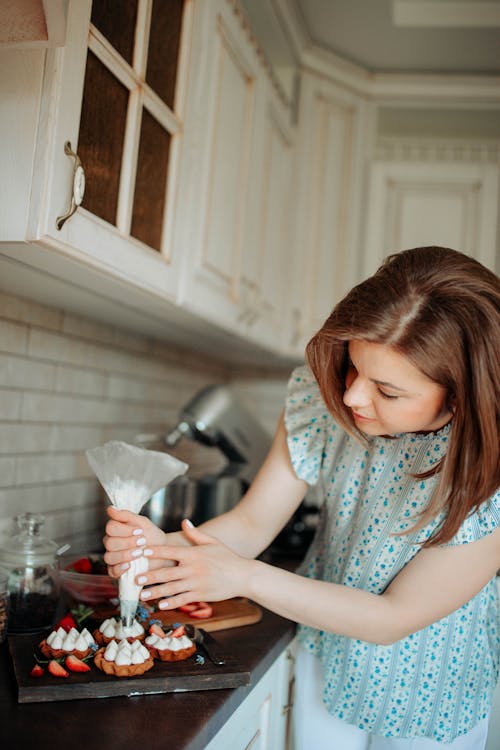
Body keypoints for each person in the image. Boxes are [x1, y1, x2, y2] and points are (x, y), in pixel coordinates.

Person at [103, 246, 500, 749]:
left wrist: (242, 575)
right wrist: (156, 550)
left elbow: (391, 618)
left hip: (431, 685)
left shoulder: (491, 475)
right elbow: (251, 525)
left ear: (462, 394)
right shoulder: (326, 402)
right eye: (354, 367)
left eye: (388, 391)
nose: (353, 396)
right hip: (326, 650)